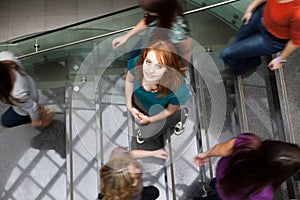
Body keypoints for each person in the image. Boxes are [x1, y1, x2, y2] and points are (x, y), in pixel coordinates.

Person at [193, 133, 300, 200]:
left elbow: (221, 148)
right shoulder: (263, 192)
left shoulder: (247, 142)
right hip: (230, 196)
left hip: (224, 175)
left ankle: (210, 186)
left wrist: (206, 155)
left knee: (216, 184)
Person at [125, 40, 190, 150]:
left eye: (159, 66)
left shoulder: (178, 90)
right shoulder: (137, 65)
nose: (150, 70)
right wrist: (129, 106)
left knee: (151, 133)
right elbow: (129, 81)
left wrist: (150, 120)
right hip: (141, 104)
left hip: (161, 111)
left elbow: (169, 111)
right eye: (148, 62)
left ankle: (181, 115)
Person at [221, 0, 300, 76]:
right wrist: (250, 8)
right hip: (261, 16)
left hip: (271, 39)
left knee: (227, 54)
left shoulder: (297, 13)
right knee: (236, 45)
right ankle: (252, 59)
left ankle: (248, 66)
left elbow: (295, 41)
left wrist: (280, 59)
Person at [112, 0, 191, 68]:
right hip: (149, 40)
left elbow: (186, 51)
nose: (147, 13)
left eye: (150, 11)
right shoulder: (157, 12)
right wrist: (126, 36)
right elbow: (147, 20)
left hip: (161, 50)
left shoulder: (177, 28)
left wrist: (182, 69)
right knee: (131, 57)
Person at [0, 51, 54, 128]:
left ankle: (41, 114)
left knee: (5, 122)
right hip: (29, 85)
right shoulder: (5, 57)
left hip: (26, 99)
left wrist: (35, 120)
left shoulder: (16, 93)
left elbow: (32, 107)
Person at [98, 147, 168, 200]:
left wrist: (153, 153)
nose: (139, 170)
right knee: (153, 192)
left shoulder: (117, 167)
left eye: (135, 165)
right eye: (136, 177)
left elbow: (129, 155)